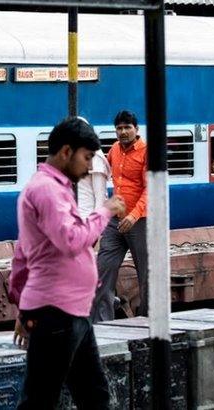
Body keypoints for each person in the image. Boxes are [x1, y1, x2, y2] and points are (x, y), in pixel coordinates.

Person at [9, 117, 126, 409]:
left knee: (94, 395)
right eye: (86, 158)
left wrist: (24, 310)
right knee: (40, 399)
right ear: (66, 152)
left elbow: (23, 256)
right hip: (56, 312)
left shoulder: (54, 188)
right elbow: (72, 239)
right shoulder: (47, 190)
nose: (89, 167)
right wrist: (105, 210)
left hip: (70, 311)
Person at [91, 110, 148, 322]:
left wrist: (133, 216)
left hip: (141, 221)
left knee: (146, 274)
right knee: (103, 270)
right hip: (115, 221)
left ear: (136, 129)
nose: (123, 132)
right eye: (119, 128)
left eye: (127, 127)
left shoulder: (146, 152)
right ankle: (102, 323)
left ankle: (147, 322)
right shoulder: (114, 150)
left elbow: (149, 189)